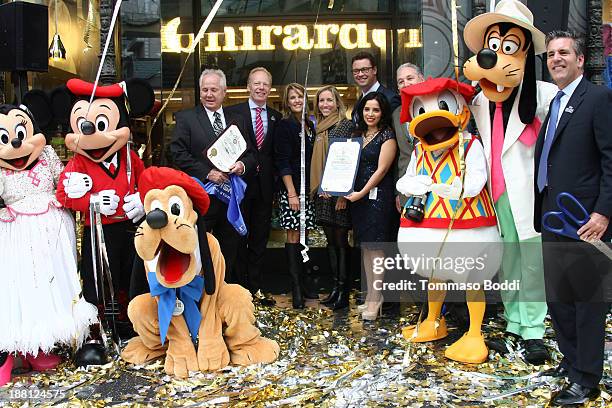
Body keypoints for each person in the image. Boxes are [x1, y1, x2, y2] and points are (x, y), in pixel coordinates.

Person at [462, 0, 557, 364]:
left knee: (531, 262)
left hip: (530, 196)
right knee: (508, 262)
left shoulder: (545, 97)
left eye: (508, 46)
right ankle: (514, 323)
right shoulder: (480, 101)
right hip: (494, 196)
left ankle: (533, 328)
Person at [534, 30, 612, 406]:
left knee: (587, 302)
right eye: (550, 54)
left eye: (564, 52)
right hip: (552, 217)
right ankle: (571, 360)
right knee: (559, 298)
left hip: (585, 221)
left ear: (581, 59)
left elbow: (611, 160)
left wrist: (603, 212)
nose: (556, 59)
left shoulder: (598, 99)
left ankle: (587, 377)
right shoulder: (554, 103)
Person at [170, 69, 257, 284]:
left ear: (224, 92)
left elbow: (252, 155)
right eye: (205, 90)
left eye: (214, 90)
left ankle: (224, 291)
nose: (209, 94)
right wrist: (207, 172)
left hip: (231, 200)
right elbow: (176, 153)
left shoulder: (238, 120)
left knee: (230, 249)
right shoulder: (187, 118)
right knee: (200, 247)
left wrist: (242, 165)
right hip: (202, 198)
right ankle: (201, 293)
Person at [225, 67, 282, 305]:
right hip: (239, 186)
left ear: (270, 88)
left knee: (260, 239)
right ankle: (239, 290)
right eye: (256, 84)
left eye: (265, 84)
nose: (261, 88)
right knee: (238, 237)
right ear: (248, 86)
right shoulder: (232, 113)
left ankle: (256, 288)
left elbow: (275, 155)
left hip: (265, 188)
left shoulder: (276, 116)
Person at [344, 92, 397, 320]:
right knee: (366, 248)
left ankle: (377, 299)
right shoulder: (358, 135)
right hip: (358, 199)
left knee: (377, 251)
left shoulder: (388, 136)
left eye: (375, 110)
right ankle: (370, 297)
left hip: (377, 199)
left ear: (382, 112)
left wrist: (362, 193)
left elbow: (382, 170)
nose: (370, 114)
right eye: (367, 109)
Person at [275, 83, 318, 309]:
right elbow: (282, 162)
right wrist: (292, 194)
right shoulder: (285, 126)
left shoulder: (310, 125)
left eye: (300, 96)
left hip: (307, 190)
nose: (296, 101)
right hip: (292, 192)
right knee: (293, 236)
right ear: (287, 101)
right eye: (292, 97)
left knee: (305, 236)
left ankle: (306, 280)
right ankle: (296, 289)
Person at [311, 85, 354, 310]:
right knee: (330, 243)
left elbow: (349, 161)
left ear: (337, 102)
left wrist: (343, 195)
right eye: (321, 101)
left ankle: (344, 292)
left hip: (338, 195)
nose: (325, 104)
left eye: (329, 100)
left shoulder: (346, 125)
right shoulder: (319, 128)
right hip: (323, 193)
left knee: (341, 243)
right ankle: (335, 288)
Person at [393, 62, 424, 211]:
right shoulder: (396, 114)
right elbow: (399, 155)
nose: (406, 84)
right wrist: (398, 192)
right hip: (406, 190)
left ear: (421, 79)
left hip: (434, 188)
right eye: (401, 81)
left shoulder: (436, 105)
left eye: (410, 78)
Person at [351, 51, 401, 125]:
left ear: (374, 70)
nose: (360, 74)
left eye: (365, 70)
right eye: (356, 71)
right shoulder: (360, 100)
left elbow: (396, 131)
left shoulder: (391, 98)